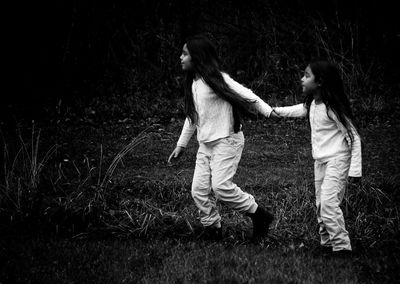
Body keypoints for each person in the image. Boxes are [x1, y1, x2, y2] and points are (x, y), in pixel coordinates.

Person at [168, 34, 274, 241]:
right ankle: (213, 230)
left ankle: (260, 215)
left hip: (228, 141)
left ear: (197, 57)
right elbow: (192, 117)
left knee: (221, 188)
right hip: (206, 145)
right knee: (198, 190)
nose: (180, 58)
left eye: (185, 54)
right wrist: (181, 145)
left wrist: (269, 111)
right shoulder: (193, 84)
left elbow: (247, 95)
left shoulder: (218, 78)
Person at [272, 60, 362, 255]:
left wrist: (355, 170)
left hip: (338, 160)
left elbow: (353, 137)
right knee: (320, 205)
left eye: (306, 75)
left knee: (329, 204)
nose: (301, 79)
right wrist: (273, 112)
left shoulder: (332, 108)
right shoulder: (313, 103)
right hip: (320, 161)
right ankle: (327, 244)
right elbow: (296, 110)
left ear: (320, 81)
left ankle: (342, 248)